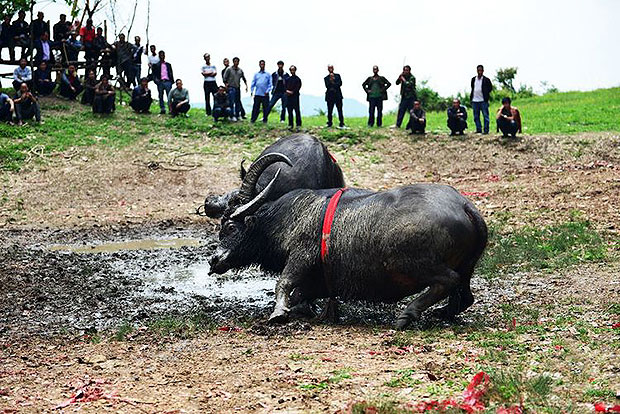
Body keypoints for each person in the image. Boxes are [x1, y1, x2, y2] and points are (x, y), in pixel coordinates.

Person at [223, 57, 248, 121]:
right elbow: (224, 78)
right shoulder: (229, 69)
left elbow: (243, 78)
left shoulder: (240, 70)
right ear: (233, 62)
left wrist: (246, 86)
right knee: (231, 102)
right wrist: (226, 85)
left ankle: (237, 115)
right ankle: (231, 116)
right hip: (231, 87)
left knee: (237, 102)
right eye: (235, 61)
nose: (236, 63)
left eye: (237, 61)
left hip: (237, 88)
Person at [470, 64, 493, 134]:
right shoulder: (473, 79)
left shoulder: (486, 80)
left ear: (483, 71)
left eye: (481, 70)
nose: (480, 72)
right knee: (476, 116)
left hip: (483, 100)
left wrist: (486, 93)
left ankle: (486, 130)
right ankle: (478, 129)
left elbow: (490, 88)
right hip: (475, 100)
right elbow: (472, 87)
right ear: (476, 71)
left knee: (485, 116)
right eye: (478, 70)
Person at [151, 50, 174, 114]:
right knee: (161, 96)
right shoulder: (156, 65)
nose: (162, 56)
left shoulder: (168, 64)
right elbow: (154, 75)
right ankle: (162, 109)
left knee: (169, 96)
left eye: (163, 55)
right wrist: (156, 81)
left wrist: (171, 81)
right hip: (160, 82)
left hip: (167, 81)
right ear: (159, 56)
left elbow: (171, 73)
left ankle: (171, 109)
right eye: (161, 55)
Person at [285, 65, 302, 130]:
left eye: (293, 70)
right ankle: (290, 124)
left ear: (295, 70)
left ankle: (298, 124)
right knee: (289, 111)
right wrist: (287, 91)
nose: (292, 71)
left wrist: (292, 92)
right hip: (289, 97)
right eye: (291, 70)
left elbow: (298, 87)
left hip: (295, 97)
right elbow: (285, 87)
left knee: (297, 110)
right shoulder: (287, 79)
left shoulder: (298, 79)